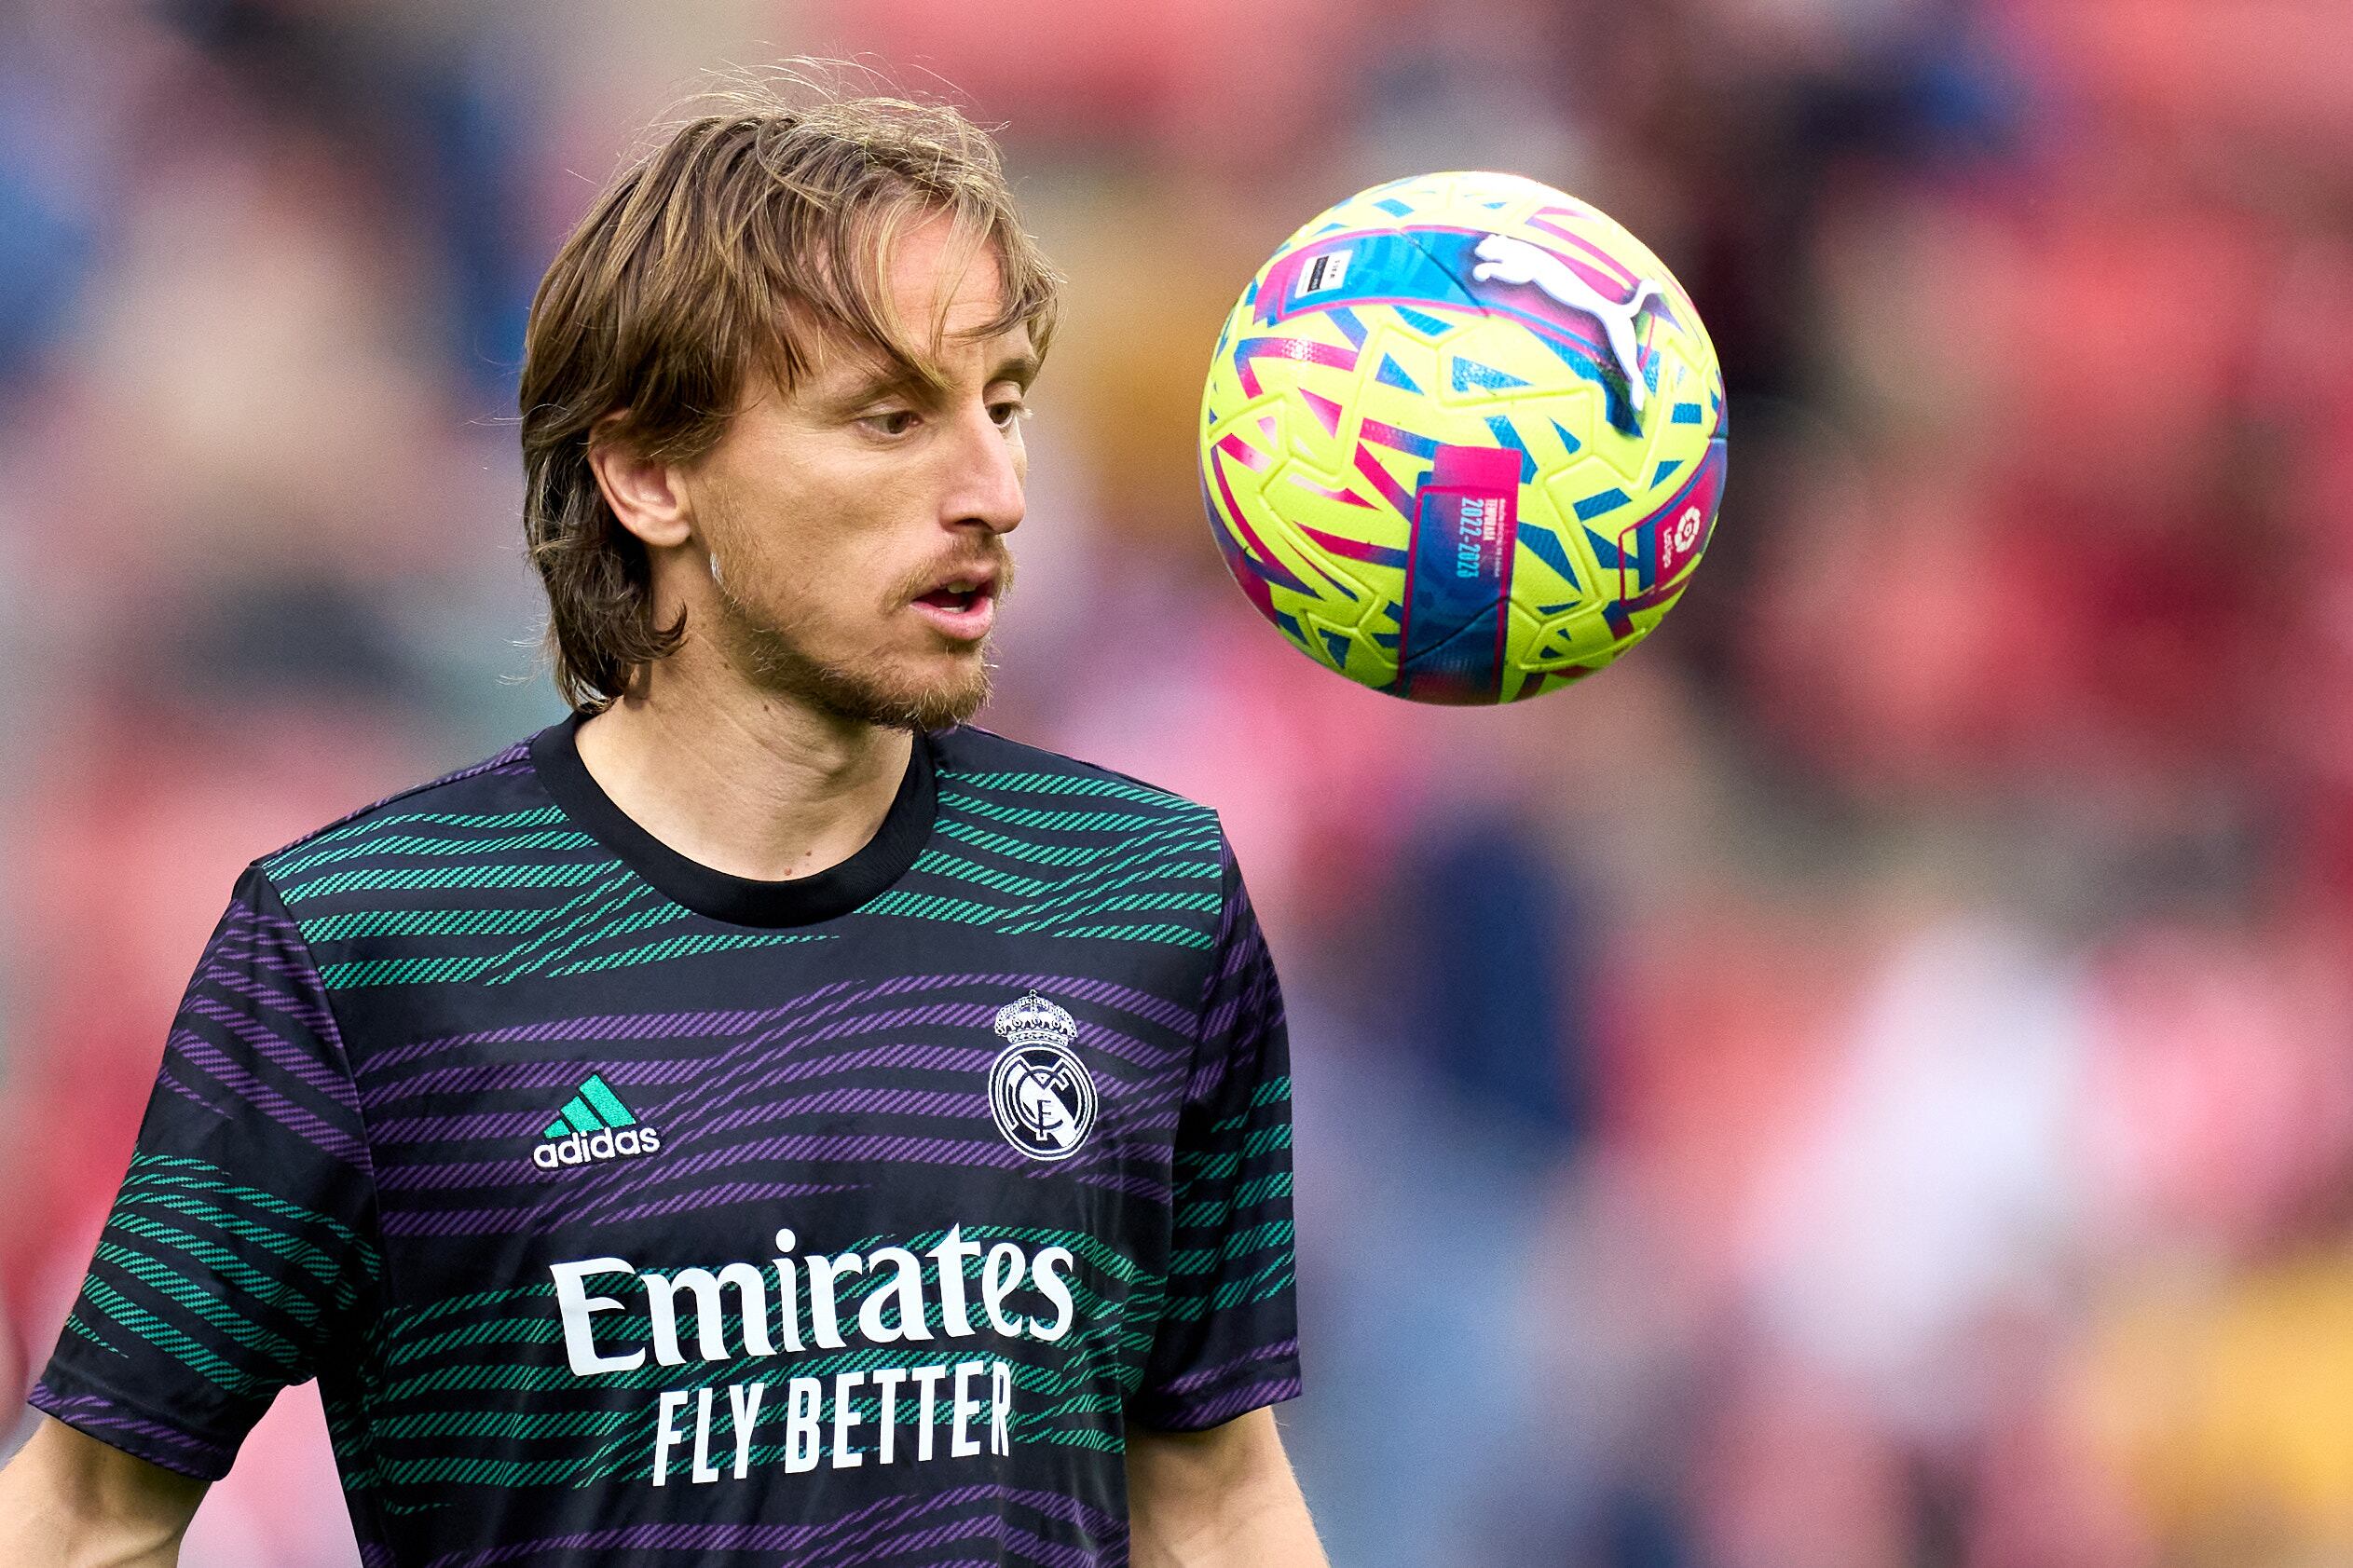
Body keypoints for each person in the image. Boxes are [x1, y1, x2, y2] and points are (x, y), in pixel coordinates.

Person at [0, 80, 1320, 1568]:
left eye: (1003, 408)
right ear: (647, 473)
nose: (997, 491)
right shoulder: (364, 943)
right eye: (890, 419)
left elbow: (1212, 1500)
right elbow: (87, 1517)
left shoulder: (1141, 895)